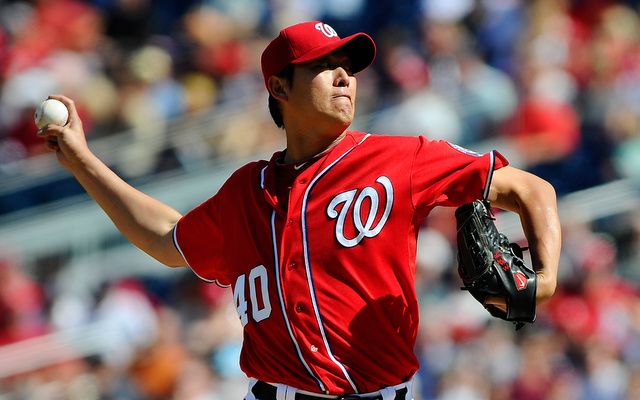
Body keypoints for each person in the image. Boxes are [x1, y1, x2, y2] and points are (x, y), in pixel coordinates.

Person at [37, 21, 561, 400]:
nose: (344, 77)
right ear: (278, 87)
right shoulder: (246, 191)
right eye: (325, 65)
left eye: (348, 67)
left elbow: (532, 190)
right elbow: (165, 239)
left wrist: (548, 276)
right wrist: (82, 160)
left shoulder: (399, 158)